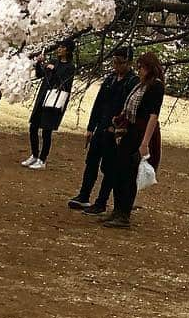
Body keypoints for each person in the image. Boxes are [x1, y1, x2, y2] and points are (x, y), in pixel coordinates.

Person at [69, 45, 138, 214]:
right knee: (91, 162)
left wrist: (116, 128)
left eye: (120, 62)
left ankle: (101, 201)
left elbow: (128, 110)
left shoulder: (132, 82)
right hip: (101, 126)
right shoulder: (110, 79)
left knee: (109, 167)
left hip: (115, 131)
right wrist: (91, 127)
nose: (116, 65)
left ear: (128, 63)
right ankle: (84, 195)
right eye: (114, 61)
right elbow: (98, 103)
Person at [100, 50, 164, 229]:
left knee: (129, 174)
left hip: (140, 133)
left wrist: (145, 143)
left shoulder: (156, 87)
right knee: (119, 171)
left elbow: (153, 116)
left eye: (142, 67)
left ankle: (124, 213)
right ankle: (117, 209)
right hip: (129, 131)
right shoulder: (141, 85)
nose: (140, 71)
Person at [23, 39, 76, 169]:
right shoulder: (53, 61)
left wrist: (54, 70)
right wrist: (40, 64)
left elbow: (64, 83)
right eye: (59, 47)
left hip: (54, 100)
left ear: (68, 50)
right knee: (33, 127)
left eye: (62, 47)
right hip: (43, 97)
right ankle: (34, 155)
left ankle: (42, 159)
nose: (59, 49)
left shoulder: (70, 67)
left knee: (47, 131)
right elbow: (41, 74)